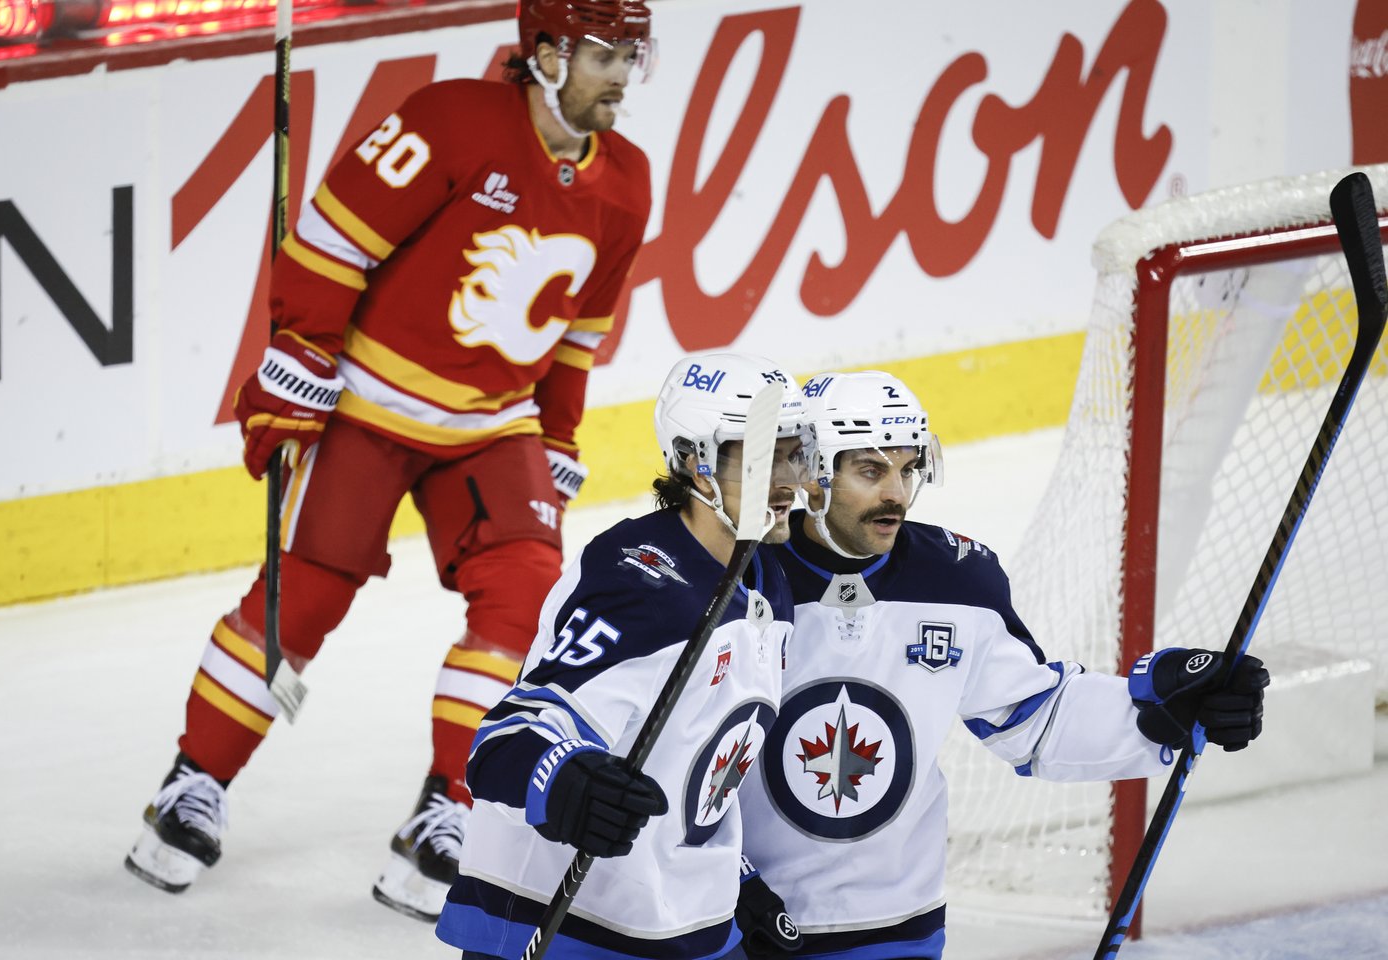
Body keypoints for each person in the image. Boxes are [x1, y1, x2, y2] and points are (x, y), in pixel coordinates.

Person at [124, 0, 657, 923]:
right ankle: (192, 781)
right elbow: (332, 246)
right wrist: (300, 355)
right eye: (604, 53)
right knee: (306, 599)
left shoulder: (626, 182)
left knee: (524, 598)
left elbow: (576, 335)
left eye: (631, 55)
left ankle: (452, 807)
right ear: (545, 54)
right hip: (366, 409)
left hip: (492, 428)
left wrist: (559, 437)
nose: (621, 73)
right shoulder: (449, 120)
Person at [734, 371, 1270, 960]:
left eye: (909, 469)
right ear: (811, 471)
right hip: (742, 922)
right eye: (870, 470)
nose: (897, 494)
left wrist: (1162, 708)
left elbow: (1036, 720)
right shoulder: (739, 581)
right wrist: (731, 881)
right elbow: (680, 760)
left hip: (894, 924)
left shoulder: (954, 580)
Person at [434, 353, 814, 960]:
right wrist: (563, 781)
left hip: (679, 922)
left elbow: (695, 760)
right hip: (563, 924)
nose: (788, 480)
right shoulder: (638, 584)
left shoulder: (766, 581)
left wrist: (737, 882)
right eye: (762, 457)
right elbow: (504, 744)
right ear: (696, 464)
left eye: (794, 453)